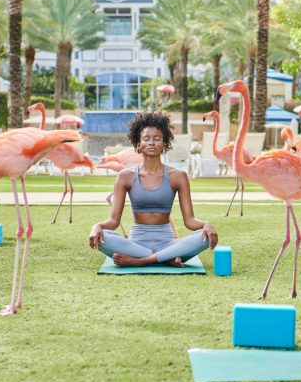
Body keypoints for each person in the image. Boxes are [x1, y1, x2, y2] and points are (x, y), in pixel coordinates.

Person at [88, 111, 218, 267]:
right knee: (103, 237)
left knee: (205, 237)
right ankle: (165, 258)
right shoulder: (125, 176)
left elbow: (189, 221)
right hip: (136, 244)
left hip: (168, 243)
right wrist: (97, 227)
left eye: (157, 139)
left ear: (164, 144)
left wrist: (206, 225)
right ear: (138, 144)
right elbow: (113, 221)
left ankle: (142, 261)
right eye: (146, 139)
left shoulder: (178, 176)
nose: (151, 142)